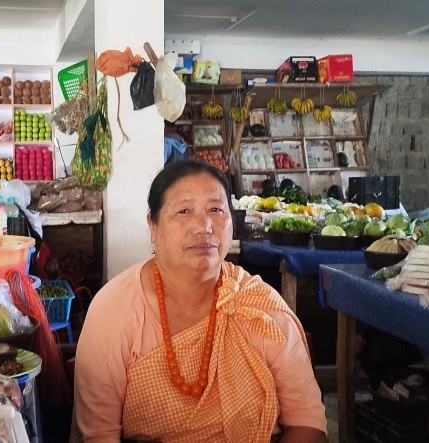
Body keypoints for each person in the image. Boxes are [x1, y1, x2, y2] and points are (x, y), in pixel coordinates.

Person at [73, 160, 327, 442]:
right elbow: (97, 435)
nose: (204, 226)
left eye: (216, 210)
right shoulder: (114, 311)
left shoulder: (257, 306)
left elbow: (307, 422)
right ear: (153, 226)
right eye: (184, 211)